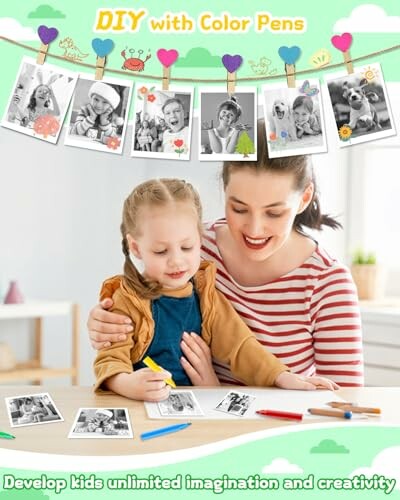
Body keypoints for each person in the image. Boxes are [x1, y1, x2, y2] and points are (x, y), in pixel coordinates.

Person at [88, 120, 364, 388]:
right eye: (239, 209)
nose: (254, 230)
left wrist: (214, 392)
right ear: (224, 190)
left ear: (304, 198)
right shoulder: (193, 248)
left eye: (274, 212)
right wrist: (105, 323)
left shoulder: (327, 283)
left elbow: (342, 409)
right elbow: (137, 309)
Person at [93, 178, 338, 401]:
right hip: (142, 411)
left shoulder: (206, 295)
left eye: (187, 247)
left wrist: (282, 376)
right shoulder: (125, 299)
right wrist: (126, 384)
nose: (176, 261)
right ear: (136, 248)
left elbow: (240, 346)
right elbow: (110, 359)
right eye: (161, 251)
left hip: (195, 413)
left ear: (200, 238)